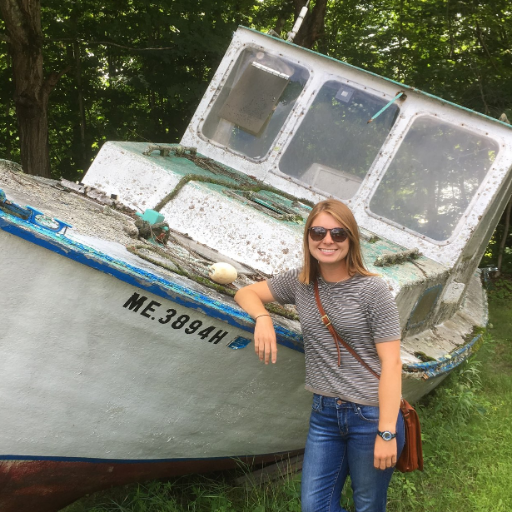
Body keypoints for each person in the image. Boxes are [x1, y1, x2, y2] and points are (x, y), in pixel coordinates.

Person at [234, 199, 405, 512]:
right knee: (315, 506)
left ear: (351, 239)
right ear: (308, 237)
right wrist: (263, 319)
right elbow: (246, 292)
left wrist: (386, 431)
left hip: (370, 414)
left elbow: (393, 363)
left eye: (338, 233)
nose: (328, 240)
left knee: (368, 504)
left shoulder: (372, 290)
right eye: (319, 232)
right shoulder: (301, 282)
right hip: (325, 413)